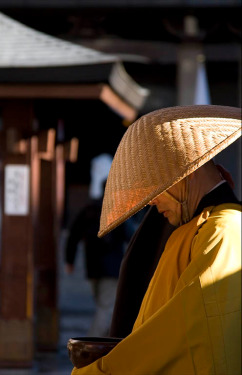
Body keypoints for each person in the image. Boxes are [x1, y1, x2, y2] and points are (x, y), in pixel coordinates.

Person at [71, 105, 241, 375]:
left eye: (155, 187)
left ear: (185, 172)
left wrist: (100, 371)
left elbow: (184, 335)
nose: (150, 200)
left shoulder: (223, 228)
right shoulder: (194, 228)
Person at [65, 154, 131, 337]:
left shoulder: (88, 210)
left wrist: (69, 260)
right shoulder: (117, 211)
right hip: (112, 268)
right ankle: (91, 345)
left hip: (92, 267)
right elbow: (130, 236)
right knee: (106, 308)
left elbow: (73, 235)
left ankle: (106, 346)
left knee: (104, 307)